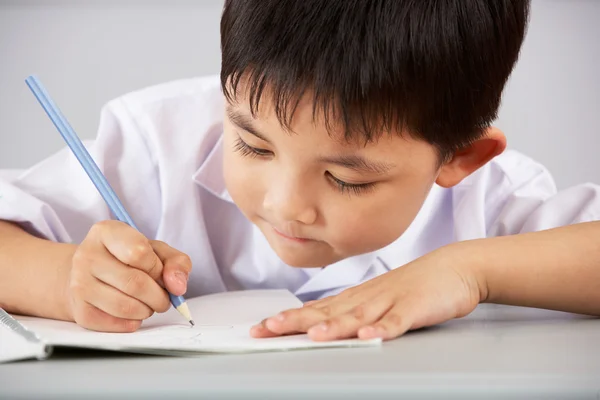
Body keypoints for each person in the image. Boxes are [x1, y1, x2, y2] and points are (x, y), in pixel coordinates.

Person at [1, 0, 598, 342]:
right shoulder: (154, 141)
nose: (287, 205)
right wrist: (65, 280)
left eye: (349, 180)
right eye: (254, 147)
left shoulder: (494, 201)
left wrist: (471, 272)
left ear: (459, 158)